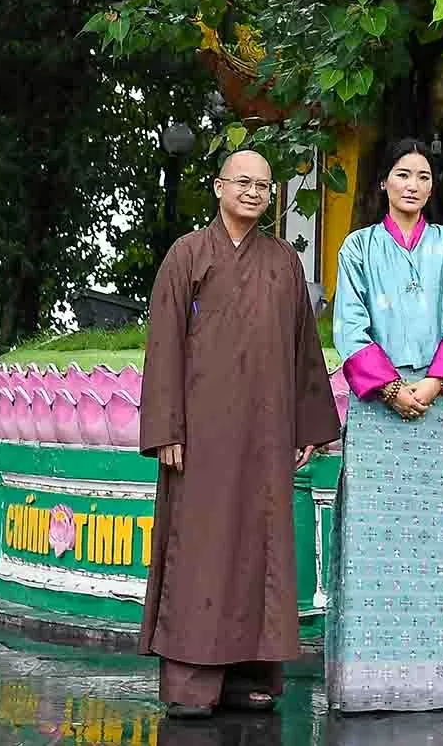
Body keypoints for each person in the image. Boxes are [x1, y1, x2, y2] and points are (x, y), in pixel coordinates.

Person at [138, 148, 343, 718]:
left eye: (263, 185)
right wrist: (167, 428)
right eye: (242, 182)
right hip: (201, 436)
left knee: (261, 553)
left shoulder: (284, 262)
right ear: (218, 186)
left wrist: (308, 423)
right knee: (201, 550)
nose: (253, 192)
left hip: (266, 432)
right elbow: (164, 347)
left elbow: (304, 350)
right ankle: (191, 683)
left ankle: (251, 675)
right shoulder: (187, 255)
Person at [326, 138, 443, 712]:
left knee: (432, 543)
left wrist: (433, 386)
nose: (413, 185)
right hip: (376, 409)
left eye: (423, 176)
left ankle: (431, 687)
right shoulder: (358, 248)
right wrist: (390, 388)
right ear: (383, 185)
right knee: (371, 541)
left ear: (431, 187)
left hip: (434, 404)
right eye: (402, 174)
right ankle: (366, 686)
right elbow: (349, 327)